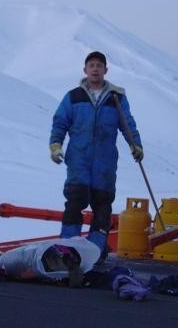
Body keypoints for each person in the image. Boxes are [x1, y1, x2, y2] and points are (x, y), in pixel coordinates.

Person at [49, 51, 143, 253]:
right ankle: (67, 248)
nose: (95, 69)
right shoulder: (73, 97)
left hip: (105, 163)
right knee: (75, 201)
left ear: (105, 70)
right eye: (91, 65)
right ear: (85, 70)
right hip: (79, 159)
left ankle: (95, 250)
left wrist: (135, 144)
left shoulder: (116, 98)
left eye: (99, 65)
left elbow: (127, 124)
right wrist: (55, 144)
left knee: (102, 206)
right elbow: (60, 122)